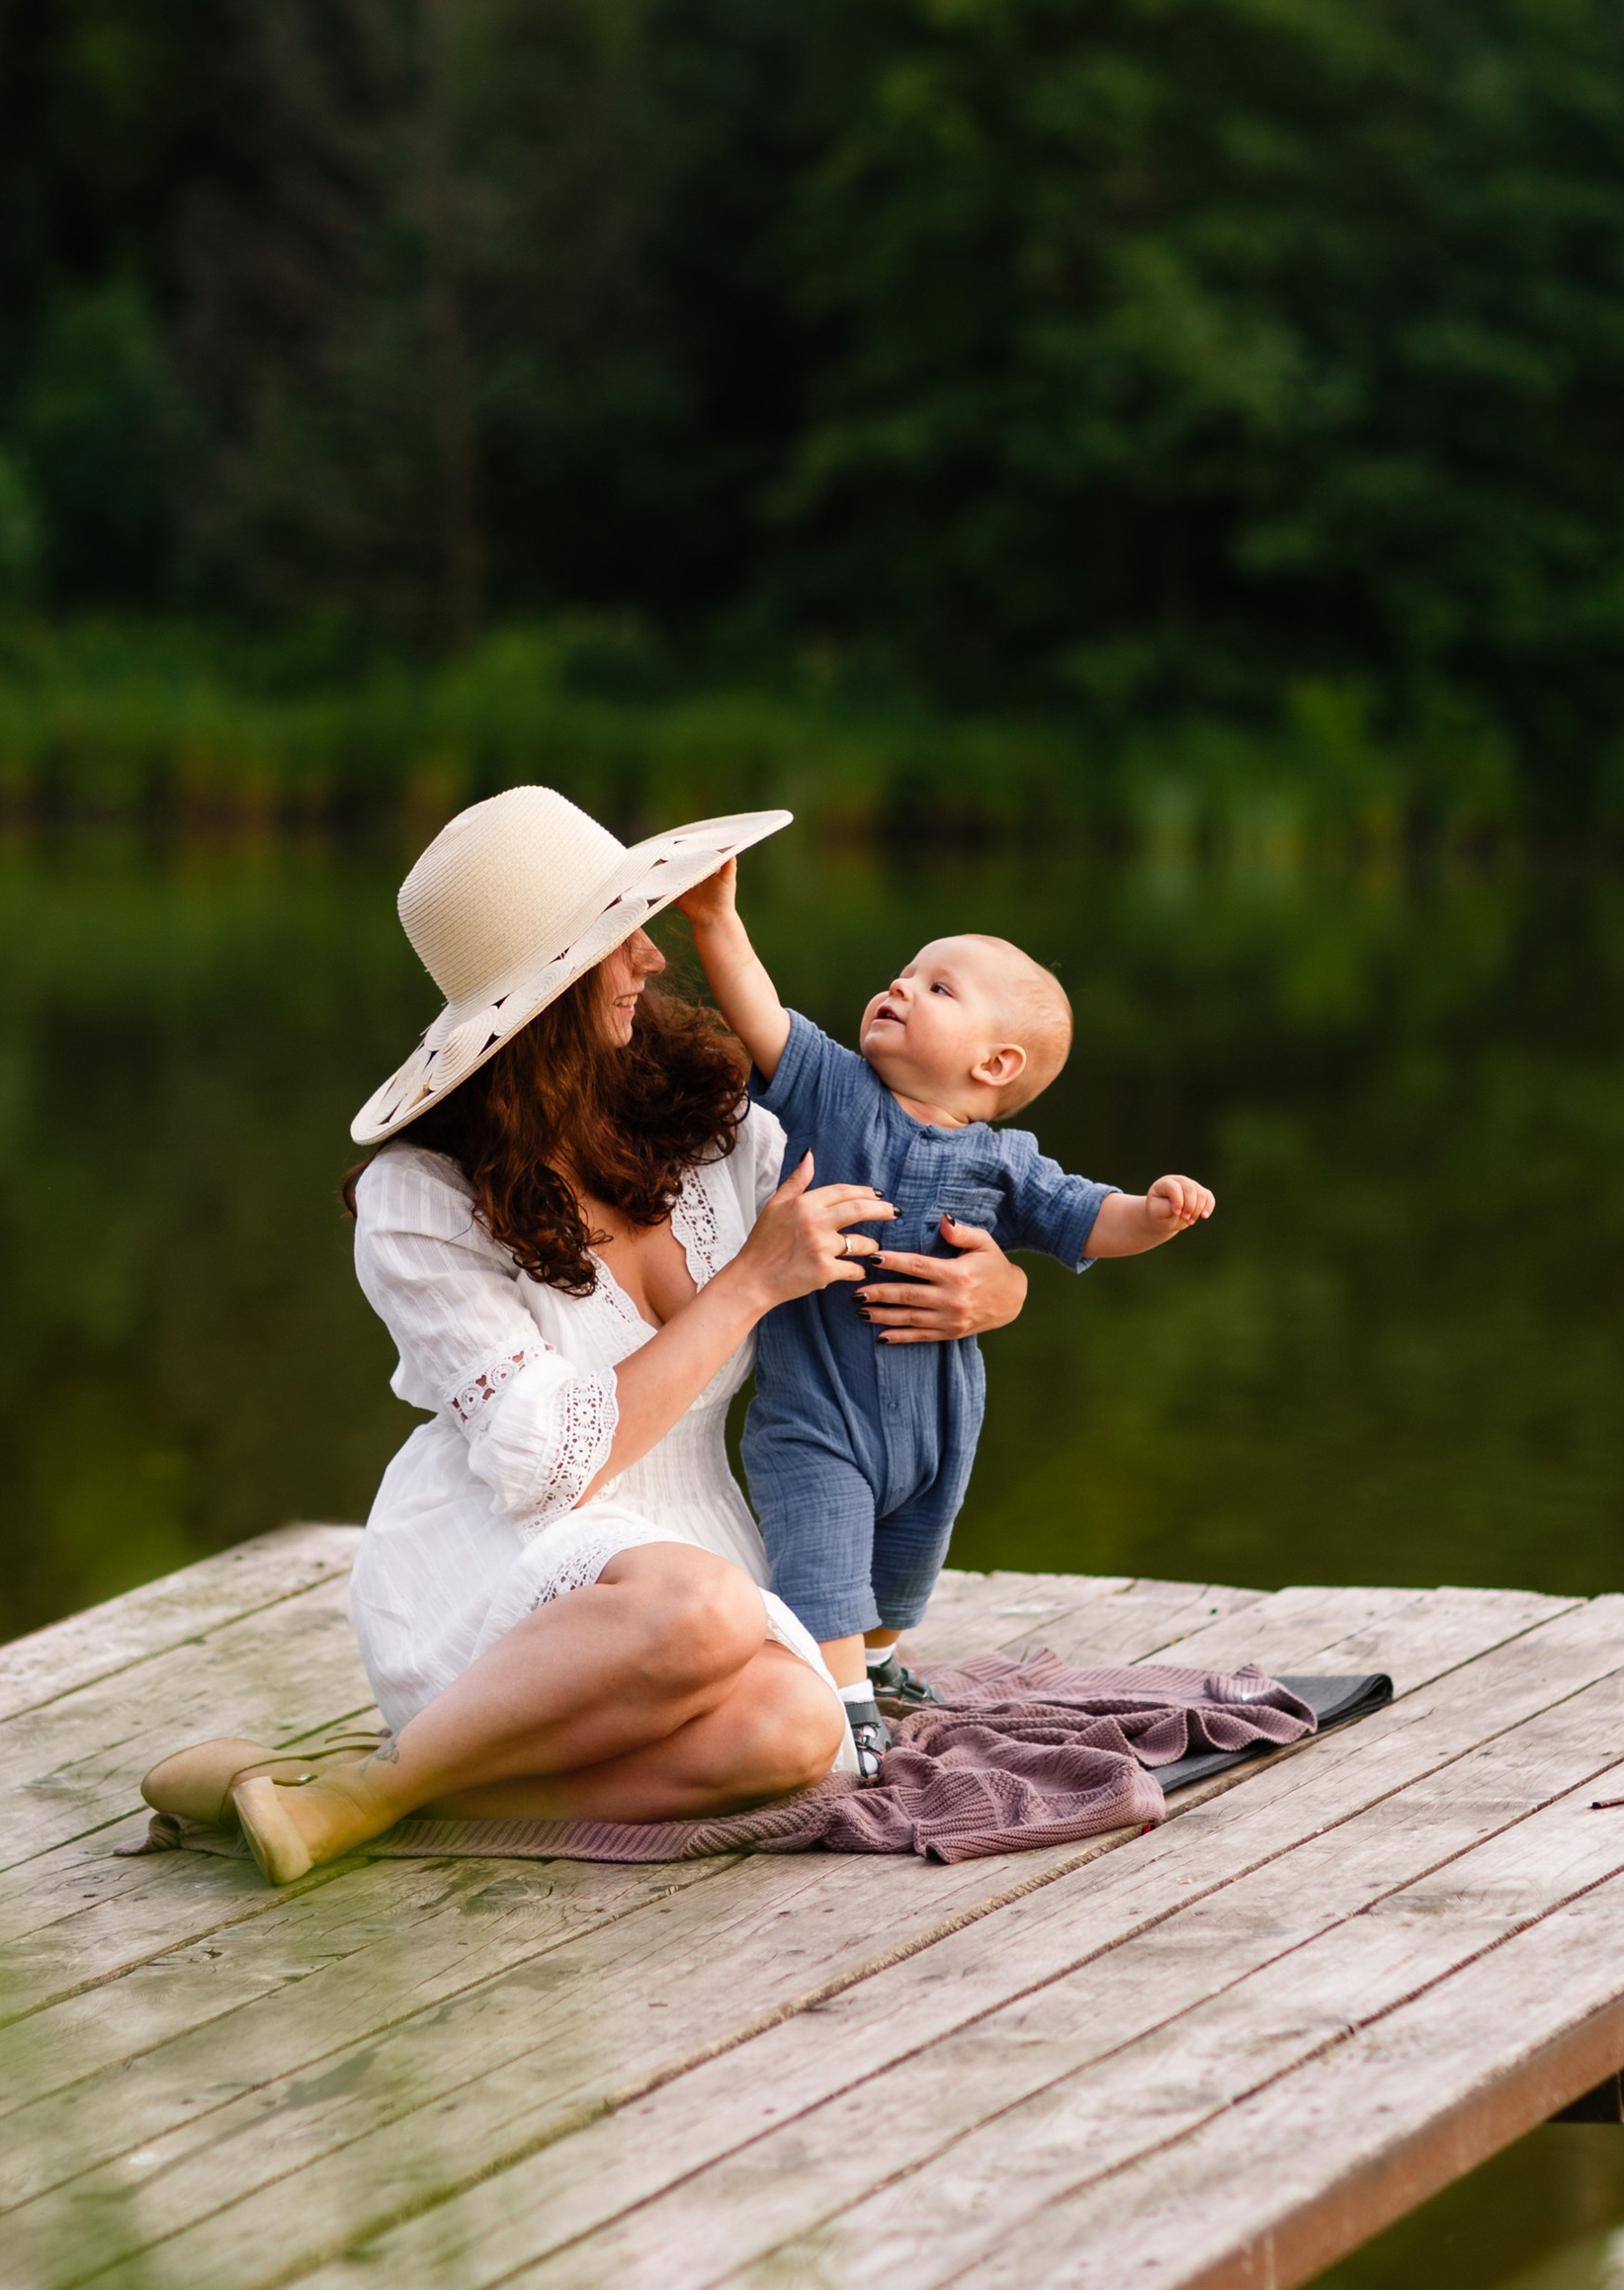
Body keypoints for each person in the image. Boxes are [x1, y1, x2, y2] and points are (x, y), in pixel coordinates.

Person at [140, 785, 1030, 1884]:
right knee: (699, 1610)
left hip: (698, 1556)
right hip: (500, 1577)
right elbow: (542, 1467)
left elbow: (902, 1190)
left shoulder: (711, 1128)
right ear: (548, 991)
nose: (652, 963)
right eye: (620, 940)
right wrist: (746, 1285)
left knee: (800, 1739)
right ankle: (374, 1788)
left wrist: (992, 1292)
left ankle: (357, 1798)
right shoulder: (420, 1200)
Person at [674, 864, 1215, 1767]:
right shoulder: (832, 1091)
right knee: (824, 1562)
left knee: (907, 1564)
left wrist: (1155, 1216)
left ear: (994, 1065)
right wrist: (716, 922)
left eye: (937, 987)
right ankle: (845, 1714)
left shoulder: (1009, 1161)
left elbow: (1088, 1217)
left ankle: (879, 1665)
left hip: (939, 1420)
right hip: (819, 1410)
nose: (899, 987)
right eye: (903, 972)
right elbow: (760, 1013)